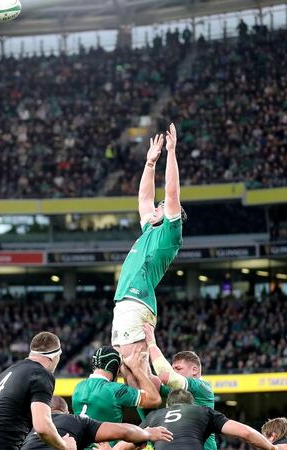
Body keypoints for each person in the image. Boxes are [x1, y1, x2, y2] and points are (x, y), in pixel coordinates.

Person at [112, 123, 184, 384]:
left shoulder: (169, 234)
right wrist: (150, 164)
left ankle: (156, 414)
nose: (156, 206)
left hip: (136, 303)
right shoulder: (148, 231)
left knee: (134, 375)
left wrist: (172, 153)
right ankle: (151, 415)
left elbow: (172, 191)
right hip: (127, 304)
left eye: (161, 206)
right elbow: (143, 199)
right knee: (128, 375)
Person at [0, 331, 76, 450]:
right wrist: (66, 447)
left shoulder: (6, 373)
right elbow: (42, 426)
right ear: (55, 356)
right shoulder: (41, 374)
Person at [111, 390, 287, 450]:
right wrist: (273, 447)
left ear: (169, 406)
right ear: (191, 404)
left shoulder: (153, 416)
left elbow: (126, 444)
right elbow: (245, 432)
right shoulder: (203, 411)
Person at [144, 323, 215, 450]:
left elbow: (166, 376)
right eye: (173, 369)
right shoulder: (177, 390)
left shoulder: (202, 388)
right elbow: (152, 382)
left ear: (194, 370)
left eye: (178, 369)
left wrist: (151, 343)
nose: (174, 372)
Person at [21, 396, 172, 450]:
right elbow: (123, 431)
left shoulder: (27, 432)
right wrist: (148, 433)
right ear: (66, 411)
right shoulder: (74, 420)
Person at [72, 346, 161, 424]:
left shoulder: (78, 387)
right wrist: (136, 369)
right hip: (106, 443)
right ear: (117, 370)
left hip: (79, 442)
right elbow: (155, 399)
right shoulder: (116, 390)